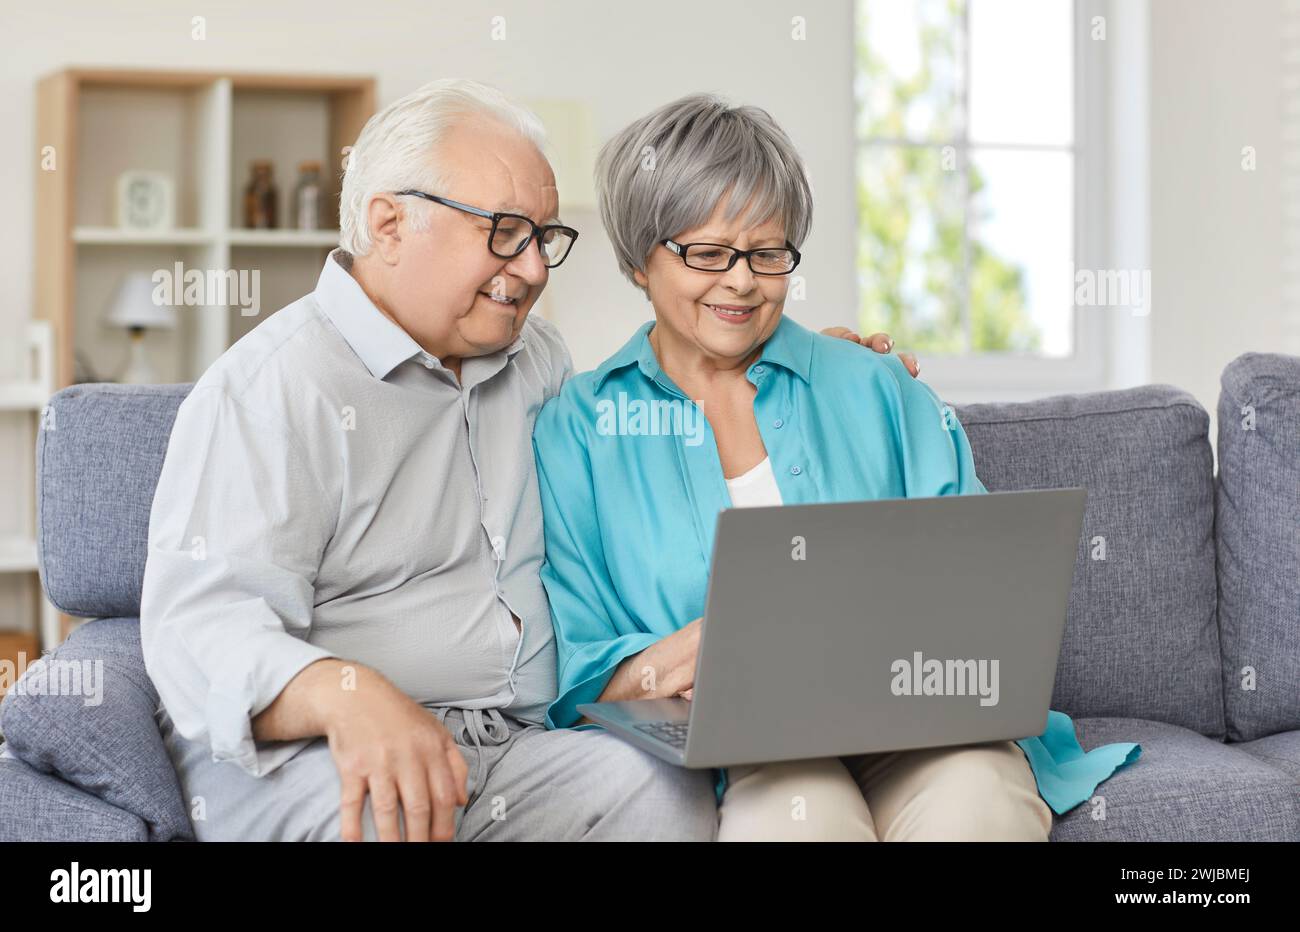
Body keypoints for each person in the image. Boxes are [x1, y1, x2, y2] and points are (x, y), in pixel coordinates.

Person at [139, 79, 902, 842]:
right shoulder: (272, 388)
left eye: (545, 238)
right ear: (390, 224)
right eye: (505, 231)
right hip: (324, 751)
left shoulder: (535, 361)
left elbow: (645, 422)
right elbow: (199, 628)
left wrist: (792, 370)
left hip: (509, 747)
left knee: (662, 794)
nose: (535, 268)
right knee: (388, 816)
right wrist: (349, 694)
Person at [533, 93, 1141, 841]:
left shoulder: (874, 384)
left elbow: (985, 584)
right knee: (800, 818)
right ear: (637, 260)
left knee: (978, 799)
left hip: (924, 727)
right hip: (747, 750)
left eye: (768, 253)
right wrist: (686, 658)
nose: (743, 282)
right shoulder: (580, 429)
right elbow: (575, 666)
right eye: (708, 254)